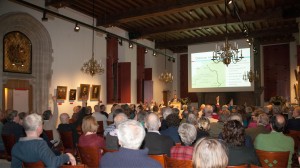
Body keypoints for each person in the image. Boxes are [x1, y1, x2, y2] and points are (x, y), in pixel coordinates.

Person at [11, 113, 76, 167]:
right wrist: (67, 156)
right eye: (42, 124)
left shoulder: (16, 146)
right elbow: (53, 164)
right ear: (39, 127)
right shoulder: (40, 145)